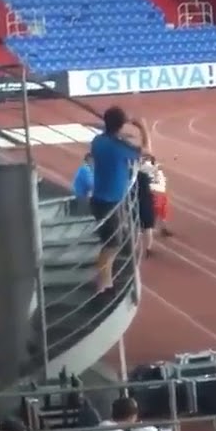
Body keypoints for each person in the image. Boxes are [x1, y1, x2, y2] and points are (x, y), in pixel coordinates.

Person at [89, 106, 149, 293]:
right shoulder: (120, 147)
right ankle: (101, 283)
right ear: (121, 125)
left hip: (101, 199)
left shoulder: (98, 141)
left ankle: (106, 282)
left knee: (113, 242)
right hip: (110, 202)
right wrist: (143, 128)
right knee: (112, 244)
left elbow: (114, 141)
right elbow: (147, 152)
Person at [141, 154, 172, 237]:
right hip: (159, 193)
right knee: (159, 213)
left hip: (158, 193)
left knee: (158, 213)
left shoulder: (147, 168)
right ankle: (157, 228)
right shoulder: (153, 169)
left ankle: (155, 229)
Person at [135, 159, 157, 256]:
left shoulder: (133, 176)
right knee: (149, 226)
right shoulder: (145, 176)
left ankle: (136, 247)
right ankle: (149, 248)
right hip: (147, 202)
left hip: (136, 203)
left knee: (137, 227)